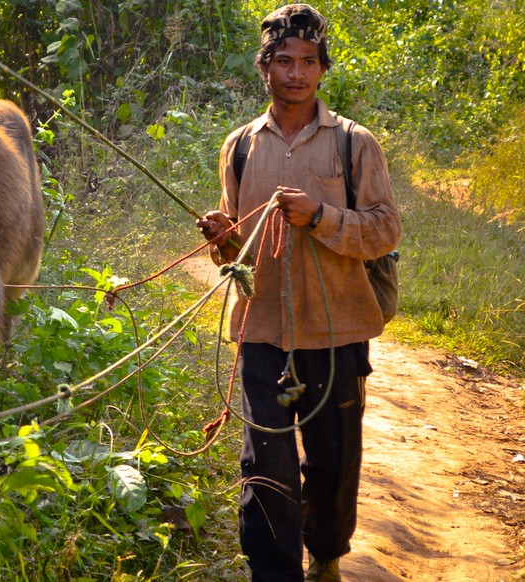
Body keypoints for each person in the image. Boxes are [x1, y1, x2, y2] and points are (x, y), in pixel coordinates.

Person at [196, 4, 400, 581]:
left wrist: (320, 216)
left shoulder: (354, 144)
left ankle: (327, 555)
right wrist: (223, 237)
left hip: (336, 330)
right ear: (264, 67)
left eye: (308, 62)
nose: (296, 73)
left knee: (333, 464)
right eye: (284, 61)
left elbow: (384, 230)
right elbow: (237, 254)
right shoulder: (240, 146)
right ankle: (274, 573)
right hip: (260, 330)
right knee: (266, 464)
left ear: (322, 69)